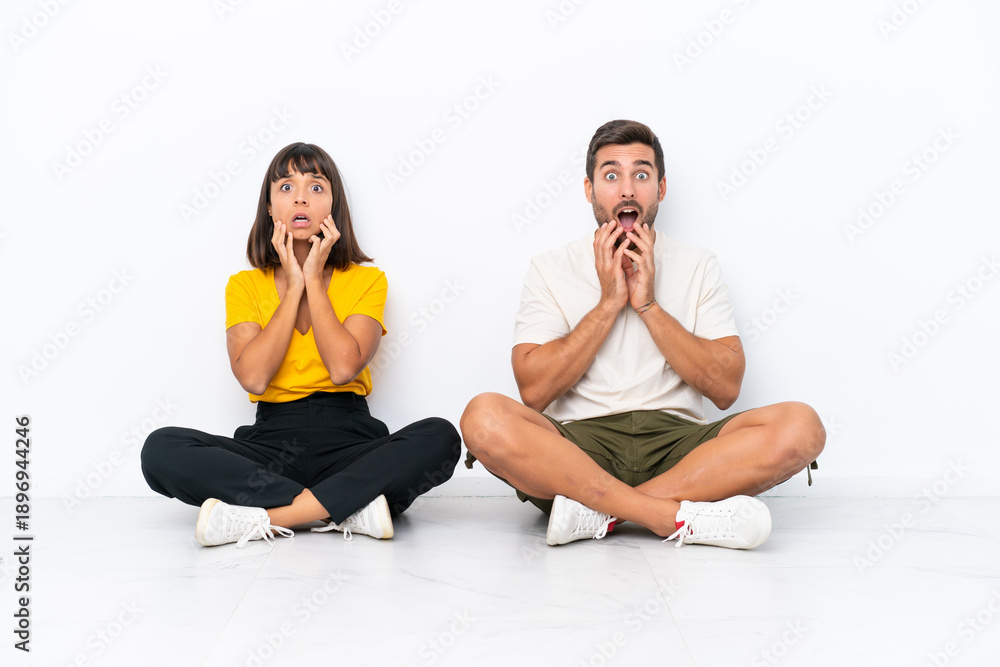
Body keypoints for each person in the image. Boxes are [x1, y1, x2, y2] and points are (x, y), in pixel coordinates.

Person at [460, 120, 825, 549]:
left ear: (661, 188)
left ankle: (599, 511)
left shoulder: (697, 264)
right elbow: (534, 392)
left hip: (682, 449)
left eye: (642, 174)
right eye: (611, 175)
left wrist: (648, 305)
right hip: (578, 450)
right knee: (481, 416)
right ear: (589, 189)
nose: (627, 189)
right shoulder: (550, 267)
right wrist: (609, 304)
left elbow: (726, 388)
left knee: (803, 426)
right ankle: (669, 516)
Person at [142, 142, 461, 548]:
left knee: (440, 436)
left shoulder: (368, 280)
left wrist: (313, 277)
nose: (300, 197)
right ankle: (349, 505)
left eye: (315, 187)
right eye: (286, 187)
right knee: (161, 448)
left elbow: (344, 368)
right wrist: (293, 286)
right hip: (271, 445)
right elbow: (254, 379)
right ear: (271, 208)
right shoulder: (245, 285)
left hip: (350, 442)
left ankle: (275, 517)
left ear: (333, 206)